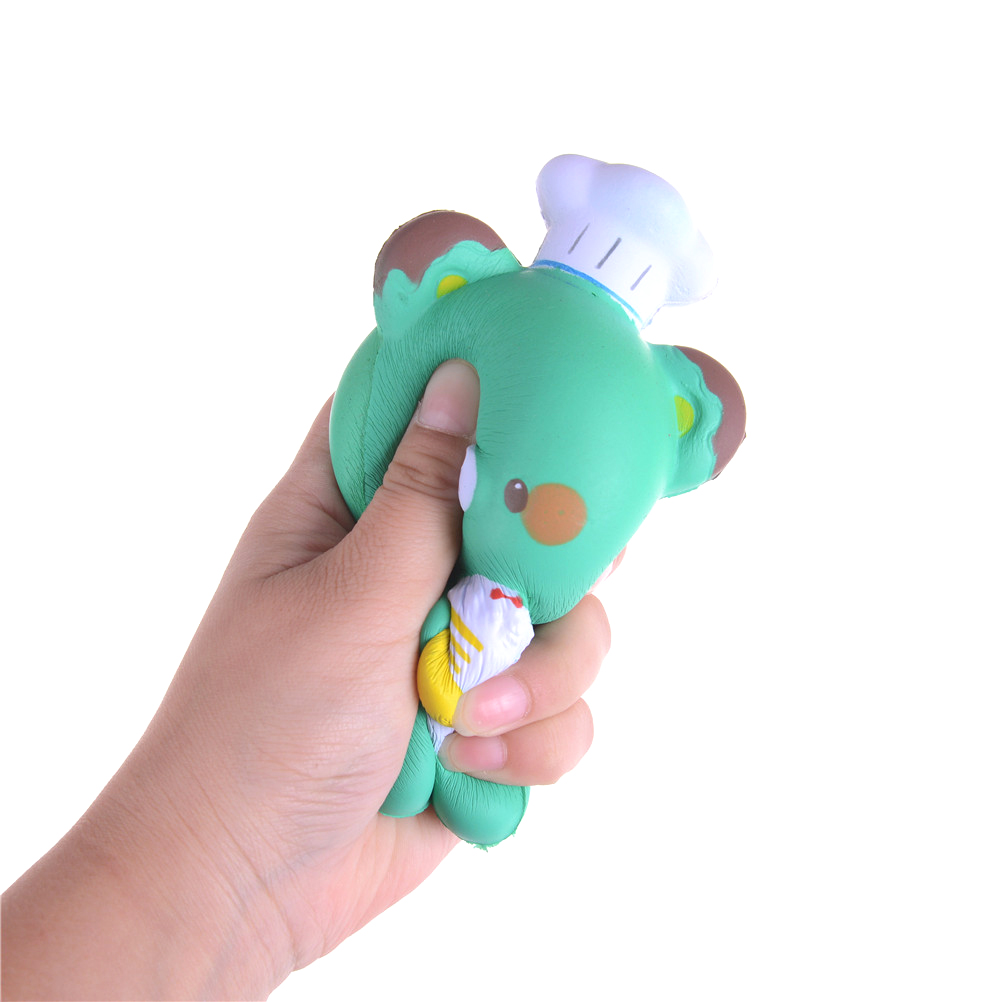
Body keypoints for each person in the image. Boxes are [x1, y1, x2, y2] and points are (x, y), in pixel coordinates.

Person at [1, 360, 610, 1001]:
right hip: (432, 708)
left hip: (447, 723)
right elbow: (434, 631)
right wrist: (236, 861)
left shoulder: (513, 593)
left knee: (482, 790)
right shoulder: (455, 578)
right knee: (425, 774)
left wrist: (244, 879)